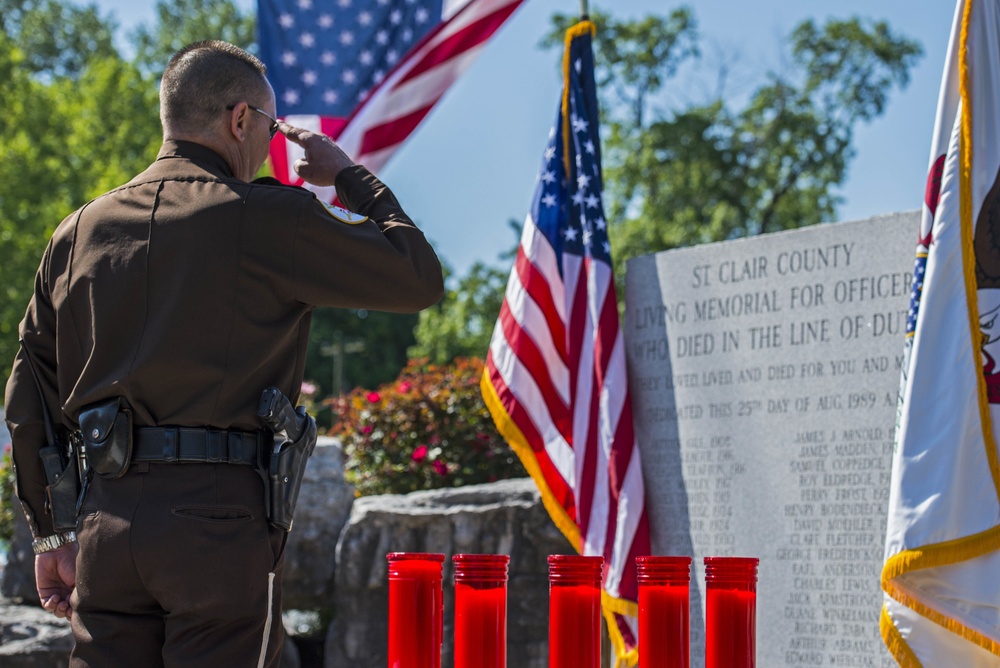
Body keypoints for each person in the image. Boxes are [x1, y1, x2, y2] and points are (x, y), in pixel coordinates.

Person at [3, 40, 443, 667]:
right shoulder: (267, 218)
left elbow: (30, 390)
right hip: (217, 524)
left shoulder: (78, 232)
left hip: (107, 524)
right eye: (267, 127)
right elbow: (416, 276)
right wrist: (348, 176)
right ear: (241, 120)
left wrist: (51, 529)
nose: (269, 146)